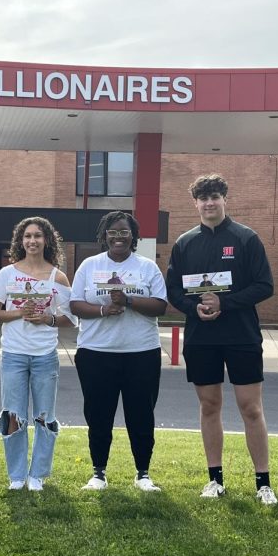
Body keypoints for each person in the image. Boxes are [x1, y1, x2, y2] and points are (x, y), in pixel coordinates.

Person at [166, 173, 278, 505]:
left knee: (251, 408)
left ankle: (263, 483)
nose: (209, 203)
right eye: (203, 198)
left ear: (224, 199)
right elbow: (173, 290)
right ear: (195, 203)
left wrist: (225, 302)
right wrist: (193, 307)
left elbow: (265, 285)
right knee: (209, 406)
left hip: (241, 336)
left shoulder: (246, 238)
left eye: (215, 196)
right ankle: (215, 480)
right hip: (201, 338)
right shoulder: (185, 243)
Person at [70, 210, 167, 492]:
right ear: (104, 236)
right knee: (98, 414)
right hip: (96, 352)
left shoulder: (147, 267)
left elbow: (160, 305)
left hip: (141, 352)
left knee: (141, 413)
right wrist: (104, 309)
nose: (119, 237)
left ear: (133, 236)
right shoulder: (89, 265)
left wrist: (128, 301)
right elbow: (75, 304)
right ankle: (98, 472)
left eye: (124, 232)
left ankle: (143, 473)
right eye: (113, 232)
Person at [0, 217, 76, 491]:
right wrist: (19, 313)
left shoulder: (56, 276)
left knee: (44, 415)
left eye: (38, 236)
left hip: (44, 356)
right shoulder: (7, 274)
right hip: (14, 354)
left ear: (47, 240)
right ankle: (16, 475)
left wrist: (48, 319)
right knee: (13, 416)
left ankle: (37, 474)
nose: (32, 241)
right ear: (20, 241)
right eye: (27, 236)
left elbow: (70, 318)